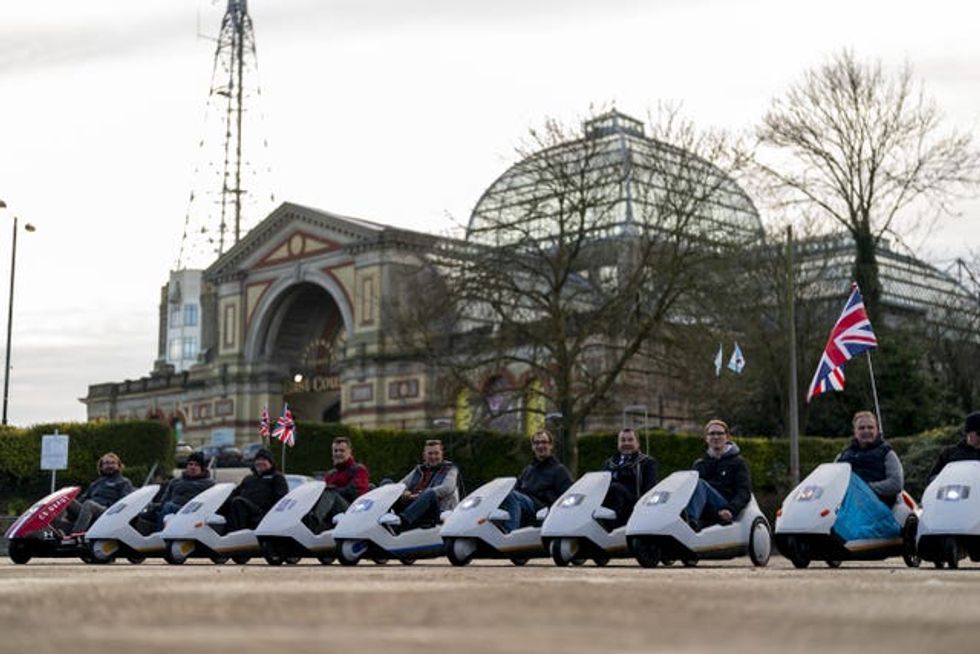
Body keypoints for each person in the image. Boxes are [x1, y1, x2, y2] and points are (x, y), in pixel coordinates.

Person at [499, 429, 573, 532]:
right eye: (536, 443)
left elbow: (568, 496)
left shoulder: (559, 470)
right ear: (532, 447)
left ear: (551, 446)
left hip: (544, 510)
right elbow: (516, 489)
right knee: (504, 494)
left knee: (512, 496)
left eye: (543, 442)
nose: (540, 446)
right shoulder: (527, 471)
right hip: (527, 507)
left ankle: (509, 533)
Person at [685, 419, 751, 530]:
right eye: (712, 434)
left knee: (700, 484)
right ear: (706, 438)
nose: (716, 437)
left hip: (724, 505)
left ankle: (690, 523)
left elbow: (744, 492)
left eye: (720, 433)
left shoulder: (738, 462)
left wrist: (730, 509)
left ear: (727, 437)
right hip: (704, 507)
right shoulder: (699, 464)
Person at [834, 410, 903, 506]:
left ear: (877, 430)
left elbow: (896, 484)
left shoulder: (887, 453)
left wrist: (865, 488)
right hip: (849, 508)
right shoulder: (843, 456)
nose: (866, 431)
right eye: (861, 428)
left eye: (870, 427)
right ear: (855, 431)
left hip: (878, 509)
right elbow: (833, 481)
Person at [304, 437, 371, 533]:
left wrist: (333, 490)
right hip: (331, 514)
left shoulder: (359, 470)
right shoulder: (330, 474)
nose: (338, 453)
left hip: (353, 511)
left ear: (350, 452)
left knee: (329, 492)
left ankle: (313, 523)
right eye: (335, 451)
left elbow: (356, 493)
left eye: (342, 451)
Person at [396, 439, 460, 530]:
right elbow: (400, 485)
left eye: (436, 453)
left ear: (442, 455)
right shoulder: (419, 469)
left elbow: (447, 488)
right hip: (413, 505)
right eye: (430, 453)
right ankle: (382, 520)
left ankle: (402, 522)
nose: (433, 456)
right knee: (387, 483)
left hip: (436, 510)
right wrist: (405, 492)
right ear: (424, 455)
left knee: (430, 493)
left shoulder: (450, 469)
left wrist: (419, 495)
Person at [600, 428, 657, 526]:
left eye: (630, 440)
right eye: (622, 440)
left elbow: (649, 490)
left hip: (635, 506)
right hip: (609, 503)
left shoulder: (647, 462)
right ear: (618, 443)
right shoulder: (609, 463)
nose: (626, 443)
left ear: (638, 443)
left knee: (615, 488)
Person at [67, 452, 135, 534]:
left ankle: (75, 534)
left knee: (89, 504)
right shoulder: (96, 483)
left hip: (109, 512)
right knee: (66, 499)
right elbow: (83, 499)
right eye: (106, 463)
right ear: (101, 467)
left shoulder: (124, 482)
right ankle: (59, 528)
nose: (109, 465)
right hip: (89, 510)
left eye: (112, 463)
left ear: (118, 465)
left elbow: (125, 502)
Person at [223, 448, 288, 532]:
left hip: (262, 515)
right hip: (243, 510)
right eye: (258, 460)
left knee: (238, 502)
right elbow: (234, 493)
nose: (260, 462)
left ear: (270, 462)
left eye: (264, 459)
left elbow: (281, 500)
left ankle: (234, 534)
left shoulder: (277, 478)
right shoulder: (249, 479)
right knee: (227, 503)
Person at [151, 452, 214, 531]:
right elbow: (164, 500)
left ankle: (159, 535)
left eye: (196, 465)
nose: (193, 467)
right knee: (148, 510)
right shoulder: (175, 482)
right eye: (190, 464)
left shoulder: (208, 484)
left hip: (192, 512)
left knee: (169, 506)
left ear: (202, 468)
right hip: (172, 509)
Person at [927, 411, 980, 482]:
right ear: (968, 433)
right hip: (956, 490)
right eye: (978, 433)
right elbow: (931, 478)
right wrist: (942, 479)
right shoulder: (950, 453)